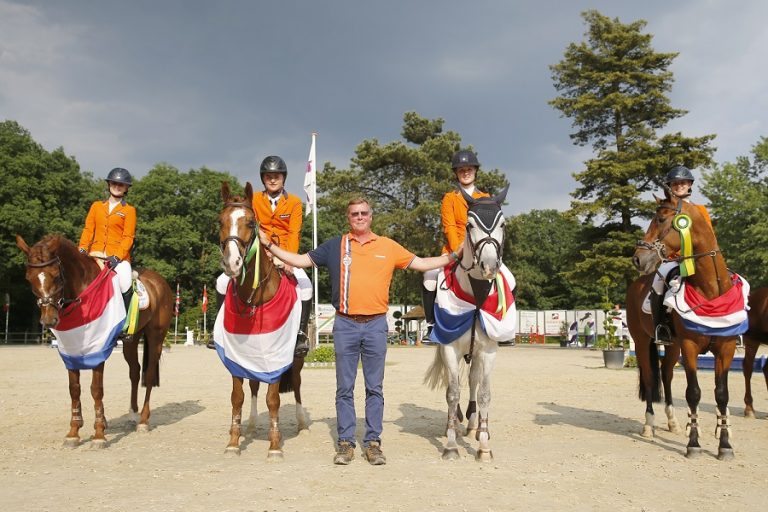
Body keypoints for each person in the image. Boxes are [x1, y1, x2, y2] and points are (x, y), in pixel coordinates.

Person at [259, 196, 462, 466]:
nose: (359, 217)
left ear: (371, 215)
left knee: (374, 388)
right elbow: (299, 260)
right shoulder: (335, 246)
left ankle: (373, 442)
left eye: (363, 213)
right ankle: (345, 442)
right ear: (348, 217)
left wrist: (455, 255)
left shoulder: (388, 246)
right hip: (345, 324)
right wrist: (269, 244)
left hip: (376, 325)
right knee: (344, 388)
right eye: (354, 213)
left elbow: (423, 264)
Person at [212, 156, 313, 356]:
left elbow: (294, 233)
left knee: (306, 286)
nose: (273, 180)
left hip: (284, 251)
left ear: (283, 178)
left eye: (276, 176)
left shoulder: (293, 202)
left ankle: (301, 334)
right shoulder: (255, 200)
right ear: (263, 179)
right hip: (259, 250)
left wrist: (289, 259)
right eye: (268, 177)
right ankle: (219, 329)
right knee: (222, 281)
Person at [421, 149, 490, 342]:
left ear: (475, 171)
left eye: (469, 169)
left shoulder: (485, 197)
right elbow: (449, 226)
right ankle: (431, 325)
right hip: (454, 249)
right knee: (429, 277)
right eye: (461, 170)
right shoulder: (449, 198)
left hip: (482, 250)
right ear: (456, 173)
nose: (465, 172)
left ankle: (501, 326)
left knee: (508, 278)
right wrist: (458, 249)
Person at [649, 165, 713, 345]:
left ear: (689, 184)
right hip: (674, 259)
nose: (679, 186)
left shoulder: (700, 209)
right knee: (658, 281)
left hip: (701, 259)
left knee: (729, 279)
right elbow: (660, 234)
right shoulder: (666, 209)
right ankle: (660, 327)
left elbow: (709, 236)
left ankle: (732, 327)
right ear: (670, 186)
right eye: (675, 183)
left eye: (682, 182)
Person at [78, 167, 136, 337]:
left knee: (125, 281)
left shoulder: (129, 210)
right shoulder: (96, 206)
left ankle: (124, 325)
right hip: (95, 253)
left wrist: (117, 257)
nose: (117, 186)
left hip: (118, 257)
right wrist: (82, 248)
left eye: (121, 184)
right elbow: (89, 229)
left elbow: (128, 237)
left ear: (126, 188)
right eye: (114, 183)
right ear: (109, 184)